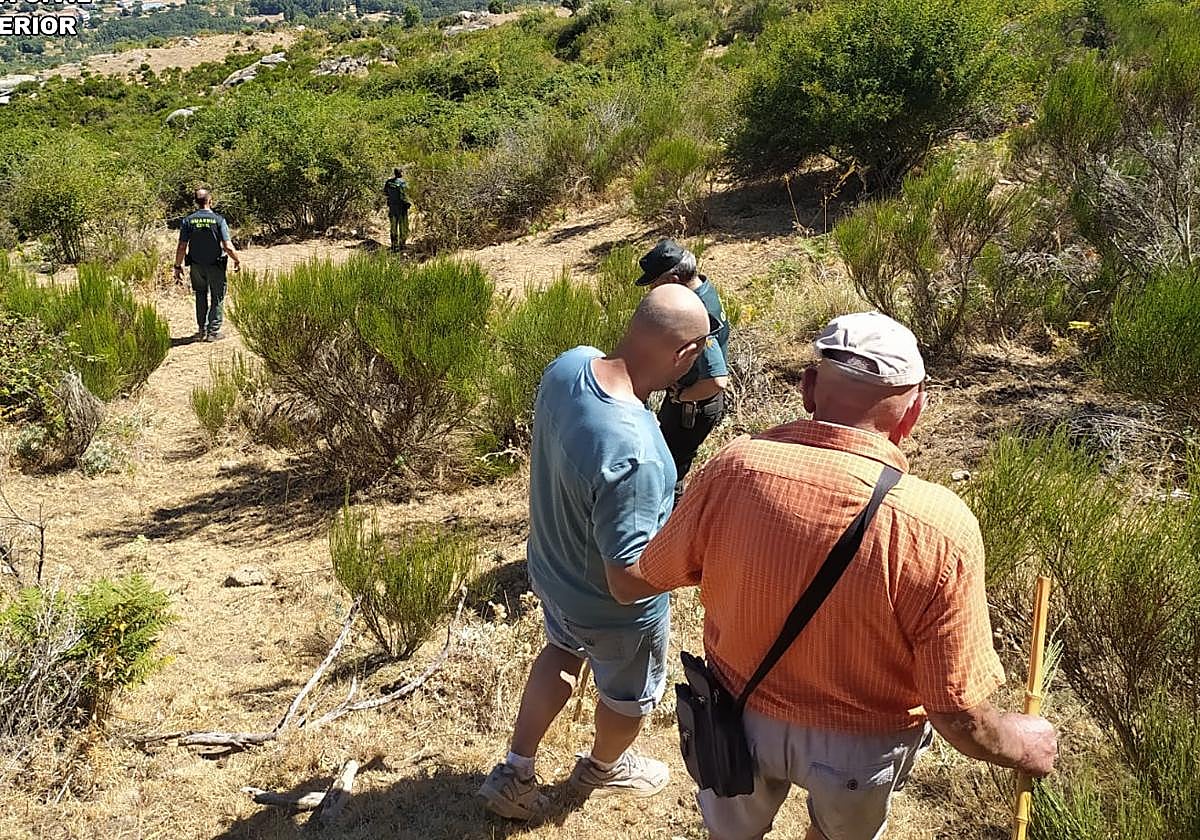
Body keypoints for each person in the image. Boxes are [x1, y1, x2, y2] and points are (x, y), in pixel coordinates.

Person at [613, 312, 1059, 840]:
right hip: (860, 746)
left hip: (735, 717)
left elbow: (641, 577)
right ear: (912, 411)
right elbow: (956, 714)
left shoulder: (736, 468)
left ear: (808, 388)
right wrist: (1020, 742)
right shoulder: (939, 524)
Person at [477, 284, 714, 821]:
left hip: (553, 571)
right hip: (613, 614)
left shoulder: (569, 366)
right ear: (684, 355)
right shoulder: (638, 452)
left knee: (560, 651)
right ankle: (603, 769)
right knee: (628, 699)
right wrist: (700, 565)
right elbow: (627, 580)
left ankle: (516, 768)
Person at [635, 239, 730, 505]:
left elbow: (716, 380)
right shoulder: (703, 290)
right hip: (691, 402)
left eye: (655, 284)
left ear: (674, 279)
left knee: (670, 473)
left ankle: (672, 530)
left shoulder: (696, 312)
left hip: (693, 408)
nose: (652, 291)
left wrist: (683, 397)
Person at [173, 188, 240, 343]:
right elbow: (227, 246)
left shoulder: (188, 220)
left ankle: (202, 329)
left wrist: (177, 265)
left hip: (196, 266)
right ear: (211, 200)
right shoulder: (219, 220)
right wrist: (236, 259)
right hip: (215, 265)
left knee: (200, 295)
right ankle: (213, 332)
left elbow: (182, 246)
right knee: (217, 297)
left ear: (196, 202)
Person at [384, 167, 411, 252]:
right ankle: (402, 244)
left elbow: (385, 193)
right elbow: (404, 195)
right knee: (403, 227)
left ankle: (394, 245)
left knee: (393, 227)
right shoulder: (402, 183)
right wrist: (407, 204)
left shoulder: (388, 182)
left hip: (392, 208)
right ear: (400, 173)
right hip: (402, 209)